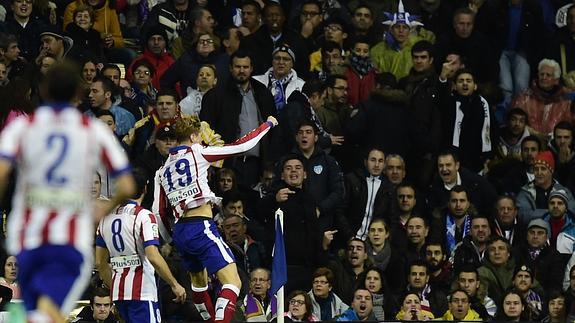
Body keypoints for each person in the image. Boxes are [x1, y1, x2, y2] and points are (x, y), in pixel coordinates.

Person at [0, 63, 135, 323]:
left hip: (28, 237)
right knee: (47, 313)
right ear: (77, 93)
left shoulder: (23, 127)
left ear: (43, 90)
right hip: (69, 240)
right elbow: (127, 185)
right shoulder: (92, 129)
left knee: (38, 311)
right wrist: (101, 208)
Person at [153, 114, 277, 323]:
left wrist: (172, 238)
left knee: (199, 283)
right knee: (233, 283)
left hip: (181, 232)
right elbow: (241, 145)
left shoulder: (162, 170)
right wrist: (268, 125)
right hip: (200, 226)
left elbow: (159, 211)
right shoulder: (198, 152)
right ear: (193, 136)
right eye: (200, 136)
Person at [95, 168, 186, 322]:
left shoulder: (105, 219)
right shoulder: (144, 215)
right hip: (142, 293)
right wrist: (175, 284)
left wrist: (116, 288)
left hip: (119, 294)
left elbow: (100, 263)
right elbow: (153, 256)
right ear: (145, 188)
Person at [511, 59, 572, 135]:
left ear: (556, 80)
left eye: (548, 75)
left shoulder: (566, 101)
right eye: (542, 74)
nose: (544, 77)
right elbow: (514, 122)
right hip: (528, 141)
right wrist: (536, 134)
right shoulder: (524, 97)